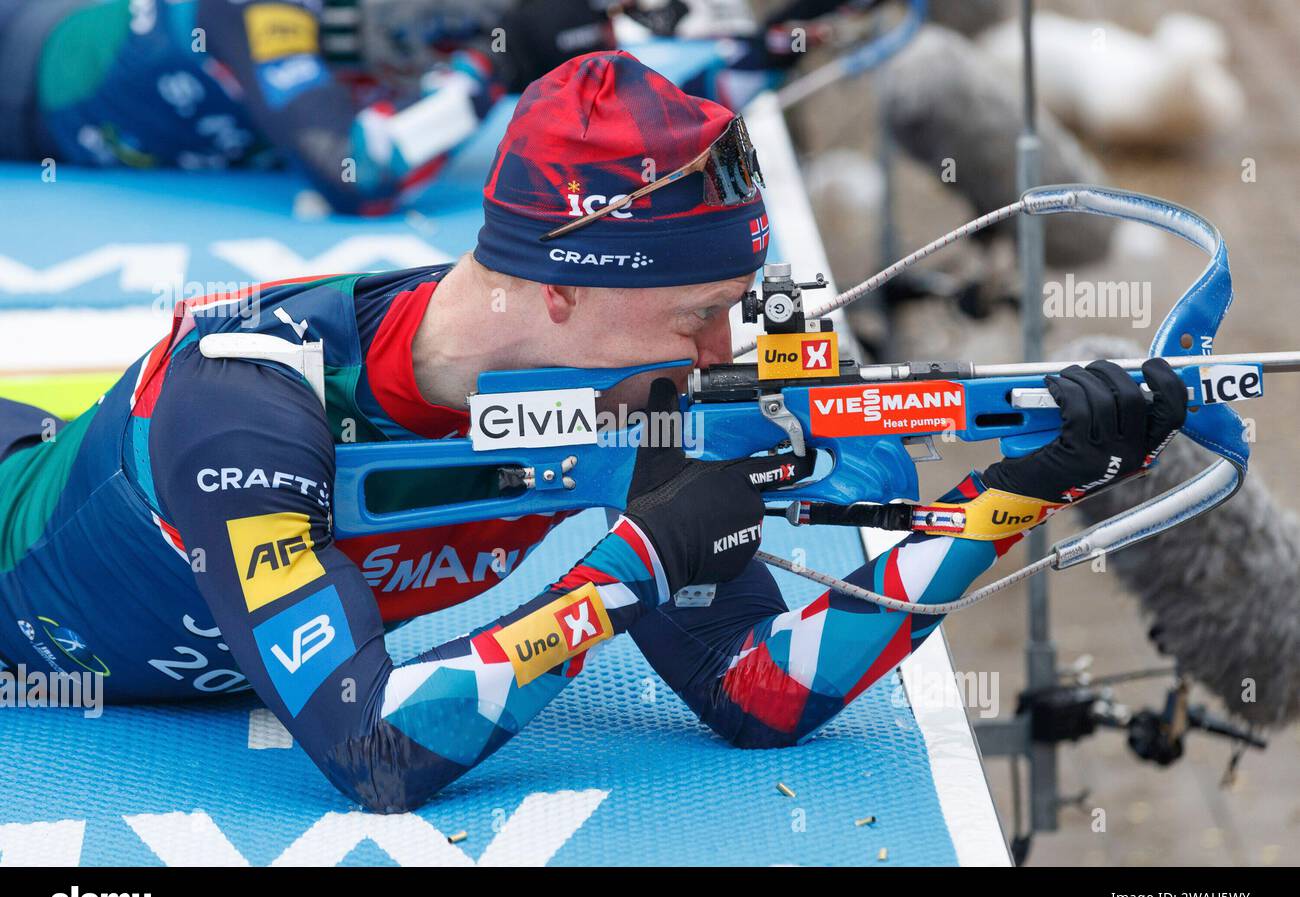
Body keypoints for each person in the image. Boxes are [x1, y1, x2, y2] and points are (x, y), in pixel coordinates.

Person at [0, 51, 1187, 812]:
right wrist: (627, 572)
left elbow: (755, 689)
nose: (721, 354)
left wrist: (1016, 492)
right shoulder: (243, 409)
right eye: (697, 315)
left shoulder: (632, 389)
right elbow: (371, 750)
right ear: (560, 287)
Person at [0, 0, 621, 214]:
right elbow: (356, 176)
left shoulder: (395, 35)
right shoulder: (264, 10)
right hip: (17, 81)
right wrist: (490, 69)